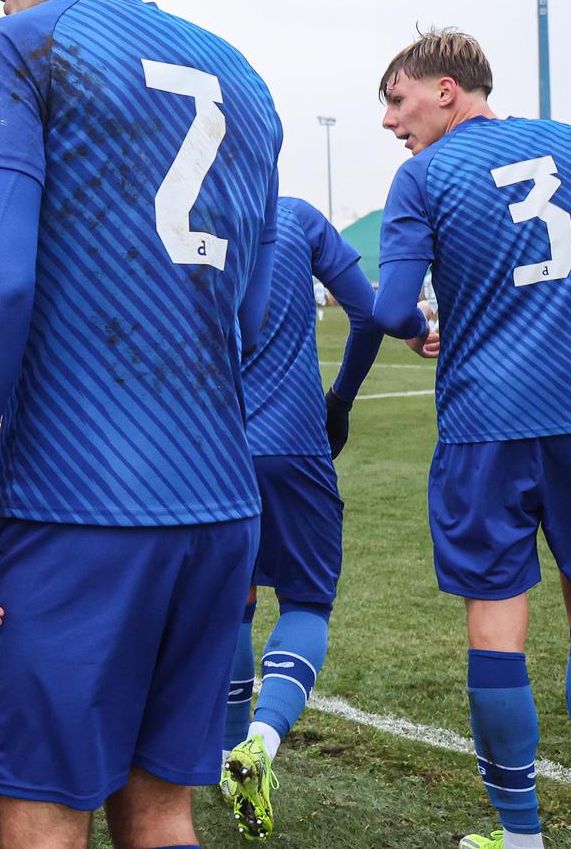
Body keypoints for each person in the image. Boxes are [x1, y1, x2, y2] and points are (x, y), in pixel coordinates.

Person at [0, 0, 282, 849]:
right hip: (217, 505)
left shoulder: (27, 44)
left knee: (44, 809)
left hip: (78, 504)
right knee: (162, 809)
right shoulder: (245, 76)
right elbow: (253, 313)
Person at [371, 28, 571, 849]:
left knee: (495, 629)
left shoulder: (425, 174)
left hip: (486, 423)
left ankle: (521, 835)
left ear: (445, 87)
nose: (393, 123)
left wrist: (419, 325)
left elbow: (394, 307)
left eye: (398, 101)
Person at [221, 196, 383, 838]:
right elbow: (370, 313)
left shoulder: (189, 209)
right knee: (307, 603)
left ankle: (220, 754)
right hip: (292, 440)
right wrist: (338, 400)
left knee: (233, 601)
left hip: (209, 444)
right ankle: (259, 741)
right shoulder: (295, 216)